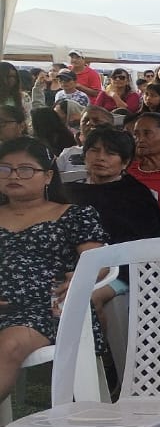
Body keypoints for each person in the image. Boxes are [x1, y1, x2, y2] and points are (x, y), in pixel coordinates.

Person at [0, 138, 107, 408]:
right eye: (5, 168)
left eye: (25, 169)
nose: (14, 176)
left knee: (9, 345)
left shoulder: (74, 215)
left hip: (47, 310)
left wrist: (82, 277)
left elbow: (98, 261)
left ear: (48, 176)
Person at [64, 125, 160, 245]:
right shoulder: (68, 192)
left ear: (125, 162)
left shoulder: (137, 195)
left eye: (110, 153)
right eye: (94, 150)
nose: (101, 158)